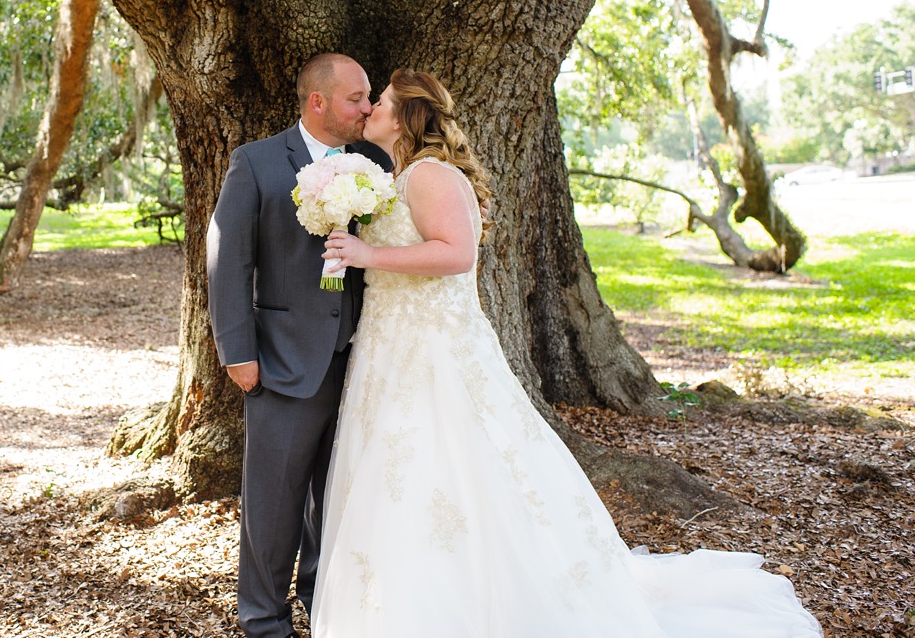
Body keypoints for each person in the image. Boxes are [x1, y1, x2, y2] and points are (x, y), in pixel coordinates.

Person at [311, 68, 823, 637]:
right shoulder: (399, 176)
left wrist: (367, 254)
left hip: (431, 352)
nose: (370, 110)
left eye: (379, 101)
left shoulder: (429, 175)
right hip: (391, 348)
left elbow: (456, 256)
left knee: (444, 465)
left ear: (407, 115)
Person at [206, 53, 391, 638]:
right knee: (272, 504)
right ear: (318, 102)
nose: (367, 108)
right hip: (283, 360)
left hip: (362, 360)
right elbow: (226, 261)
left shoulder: (376, 165)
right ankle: (263, 620)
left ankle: (325, 607)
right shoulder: (257, 163)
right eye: (356, 98)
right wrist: (237, 352)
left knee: (335, 500)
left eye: (369, 99)